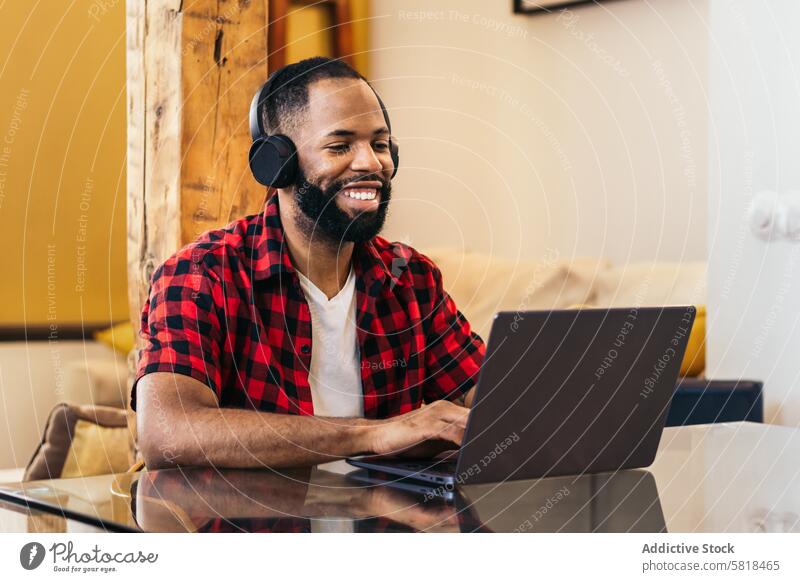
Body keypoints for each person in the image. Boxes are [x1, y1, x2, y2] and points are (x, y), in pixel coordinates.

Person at [133, 56, 485, 469]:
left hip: (386, 528)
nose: (371, 163)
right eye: (340, 146)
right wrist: (372, 434)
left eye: (379, 144)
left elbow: (490, 400)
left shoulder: (412, 280)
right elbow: (165, 433)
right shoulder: (200, 275)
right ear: (276, 163)